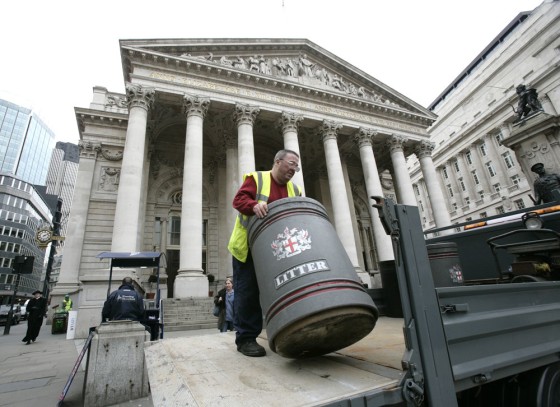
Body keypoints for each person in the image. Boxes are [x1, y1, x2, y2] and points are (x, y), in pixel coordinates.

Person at [228, 149, 302, 357]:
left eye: (297, 166)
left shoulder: (295, 190)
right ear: (278, 161)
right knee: (248, 293)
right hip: (249, 248)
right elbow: (238, 201)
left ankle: (287, 331)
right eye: (291, 163)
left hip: (278, 250)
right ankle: (246, 339)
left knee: (283, 290)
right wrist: (253, 205)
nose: (294, 169)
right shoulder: (257, 179)